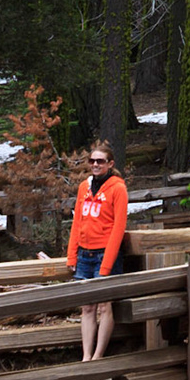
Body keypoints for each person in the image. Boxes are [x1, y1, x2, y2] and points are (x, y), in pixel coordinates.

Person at [66, 139, 129, 361]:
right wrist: (71, 255)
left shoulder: (118, 188)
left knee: (105, 306)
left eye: (100, 161)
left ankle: (98, 355)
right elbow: (77, 222)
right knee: (87, 307)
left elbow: (118, 228)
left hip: (105, 253)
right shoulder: (84, 187)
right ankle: (86, 355)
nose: (95, 164)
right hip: (84, 254)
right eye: (92, 161)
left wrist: (107, 265)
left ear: (110, 164)